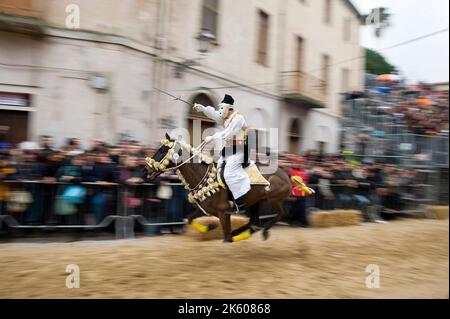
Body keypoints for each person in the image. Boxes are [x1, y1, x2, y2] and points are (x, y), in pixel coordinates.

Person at [193, 94, 251, 211]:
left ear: (230, 108)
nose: (220, 111)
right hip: (229, 149)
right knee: (217, 171)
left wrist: (212, 137)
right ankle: (223, 198)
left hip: (240, 150)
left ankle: (241, 202)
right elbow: (215, 115)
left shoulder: (238, 119)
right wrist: (203, 109)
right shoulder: (227, 117)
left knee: (229, 174)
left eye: (222, 108)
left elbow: (228, 133)